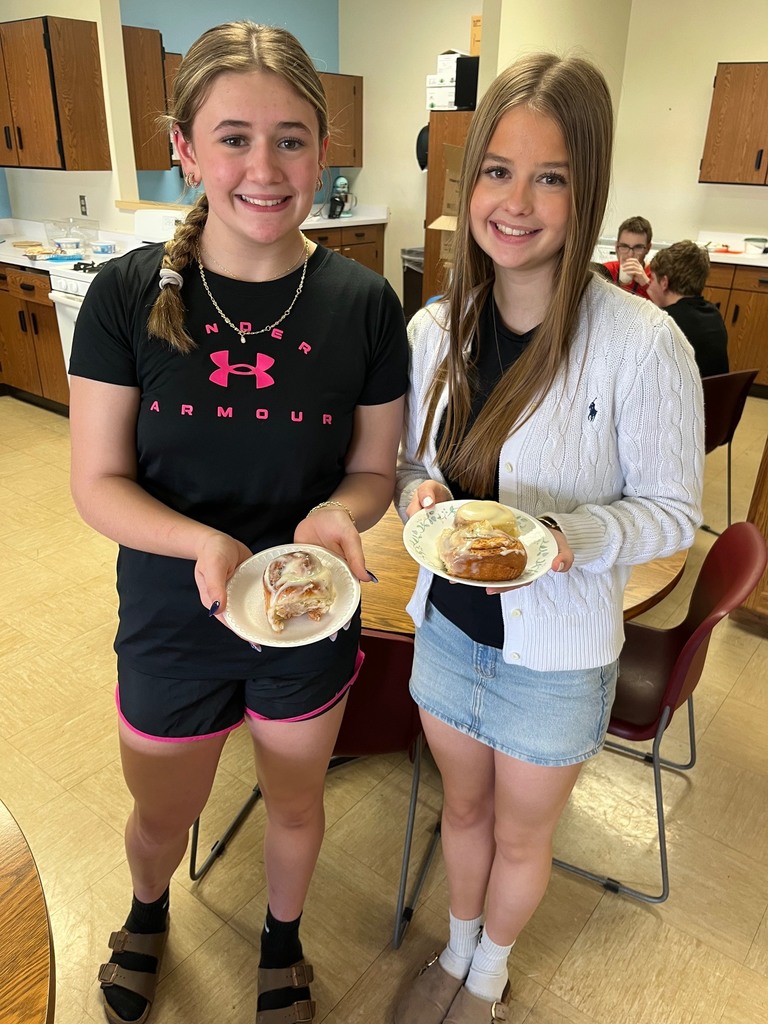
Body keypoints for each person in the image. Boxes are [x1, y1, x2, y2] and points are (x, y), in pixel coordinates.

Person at [68, 21, 407, 1024]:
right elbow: (98, 481)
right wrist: (202, 542)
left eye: (292, 138)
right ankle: (144, 910)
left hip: (308, 611)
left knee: (297, 802)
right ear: (184, 146)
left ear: (323, 147)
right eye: (233, 137)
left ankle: (282, 939)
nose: (265, 168)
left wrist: (336, 513)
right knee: (161, 814)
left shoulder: (362, 304)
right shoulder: (129, 295)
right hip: (173, 614)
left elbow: (372, 468)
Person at [394, 53, 703, 1024]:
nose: (516, 201)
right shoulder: (434, 330)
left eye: (552, 176)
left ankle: (486, 977)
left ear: (588, 189)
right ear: (469, 179)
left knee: (524, 837)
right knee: (467, 811)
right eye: (498, 169)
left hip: (557, 655)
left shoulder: (646, 345)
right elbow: (410, 464)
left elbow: (670, 514)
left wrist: (568, 537)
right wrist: (416, 495)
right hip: (446, 630)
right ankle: (452, 948)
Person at [647, 239, 729, 377]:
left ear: (664, 283)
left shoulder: (665, 323)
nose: (649, 285)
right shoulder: (713, 313)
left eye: (652, 279)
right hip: (715, 396)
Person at [602, 214, 653, 297]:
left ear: (648, 248)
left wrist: (646, 283)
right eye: (624, 246)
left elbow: (667, 308)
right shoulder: (607, 271)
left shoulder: (656, 278)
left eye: (638, 247)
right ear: (616, 247)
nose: (630, 254)